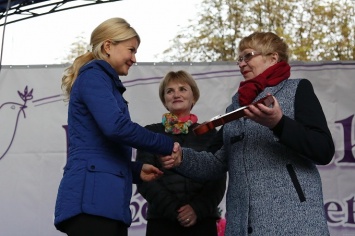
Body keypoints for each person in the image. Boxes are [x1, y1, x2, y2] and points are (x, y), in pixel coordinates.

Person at [160, 32, 335, 235]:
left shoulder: (296, 90)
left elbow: (323, 149)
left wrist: (279, 124)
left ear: (273, 57)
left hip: (293, 223)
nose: (241, 63)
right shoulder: (234, 107)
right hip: (241, 226)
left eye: (248, 56)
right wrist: (182, 158)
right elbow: (216, 163)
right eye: (239, 59)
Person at [54, 17, 178, 236]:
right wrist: (165, 143)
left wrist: (135, 171)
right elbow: (116, 127)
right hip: (91, 205)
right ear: (108, 46)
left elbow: (101, 149)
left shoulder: (103, 81)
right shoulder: (94, 76)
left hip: (105, 204)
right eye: (131, 50)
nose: (134, 58)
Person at [136, 70, 226, 236]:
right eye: (170, 91)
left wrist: (197, 209)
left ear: (194, 97)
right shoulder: (149, 134)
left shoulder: (210, 133)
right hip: (162, 222)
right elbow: (145, 180)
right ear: (164, 100)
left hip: (202, 221)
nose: (176, 94)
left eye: (182, 89)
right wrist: (175, 210)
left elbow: (218, 178)